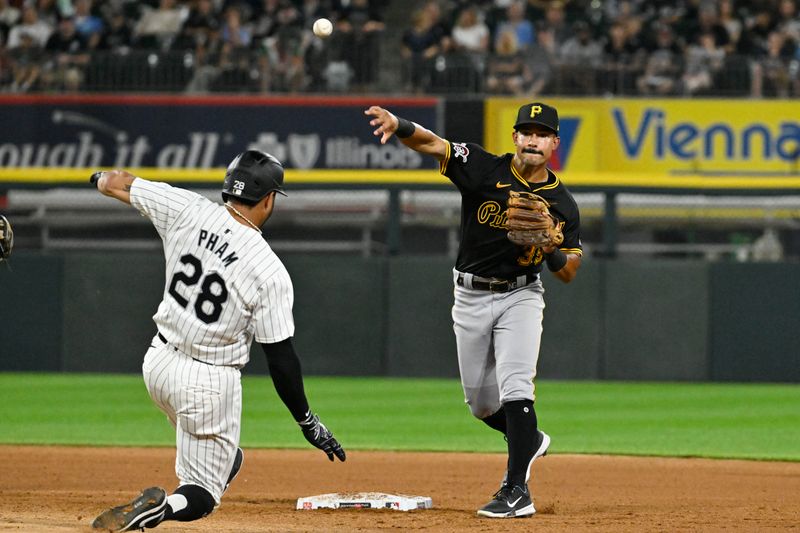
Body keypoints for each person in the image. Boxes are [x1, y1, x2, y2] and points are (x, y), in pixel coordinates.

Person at [89, 150, 346, 532]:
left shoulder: (187, 208)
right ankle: (156, 511)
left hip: (157, 363)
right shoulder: (269, 270)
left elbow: (116, 182)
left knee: (221, 451)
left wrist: (96, 178)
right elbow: (281, 359)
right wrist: (307, 421)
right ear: (269, 199)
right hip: (206, 384)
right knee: (202, 494)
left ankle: (221, 460)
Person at [365, 102, 582, 518]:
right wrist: (399, 125)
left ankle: (517, 490)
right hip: (470, 295)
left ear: (555, 143)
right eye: (527, 131)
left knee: (517, 385)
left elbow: (569, 272)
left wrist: (552, 247)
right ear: (515, 137)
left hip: (521, 293)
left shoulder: (563, 204)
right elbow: (432, 144)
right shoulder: (484, 168)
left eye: (543, 133)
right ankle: (529, 440)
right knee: (481, 404)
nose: (533, 139)